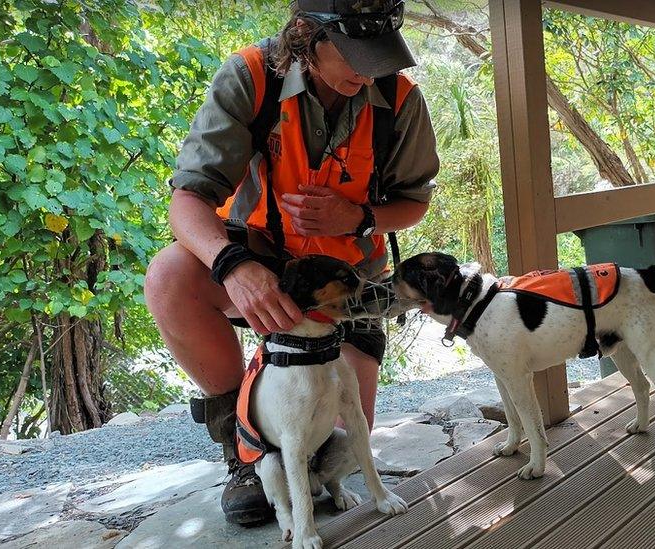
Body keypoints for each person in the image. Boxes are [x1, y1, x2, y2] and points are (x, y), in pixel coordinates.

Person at [143, 0, 438, 526]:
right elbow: (186, 202)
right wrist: (232, 265)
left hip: (347, 287)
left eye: (377, 54)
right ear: (306, 34)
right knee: (170, 276)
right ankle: (247, 451)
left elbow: (414, 204)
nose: (367, 69)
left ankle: (296, 457)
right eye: (352, 53)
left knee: (338, 449)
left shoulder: (399, 99)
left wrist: (361, 218)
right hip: (261, 262)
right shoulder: (251, 78)